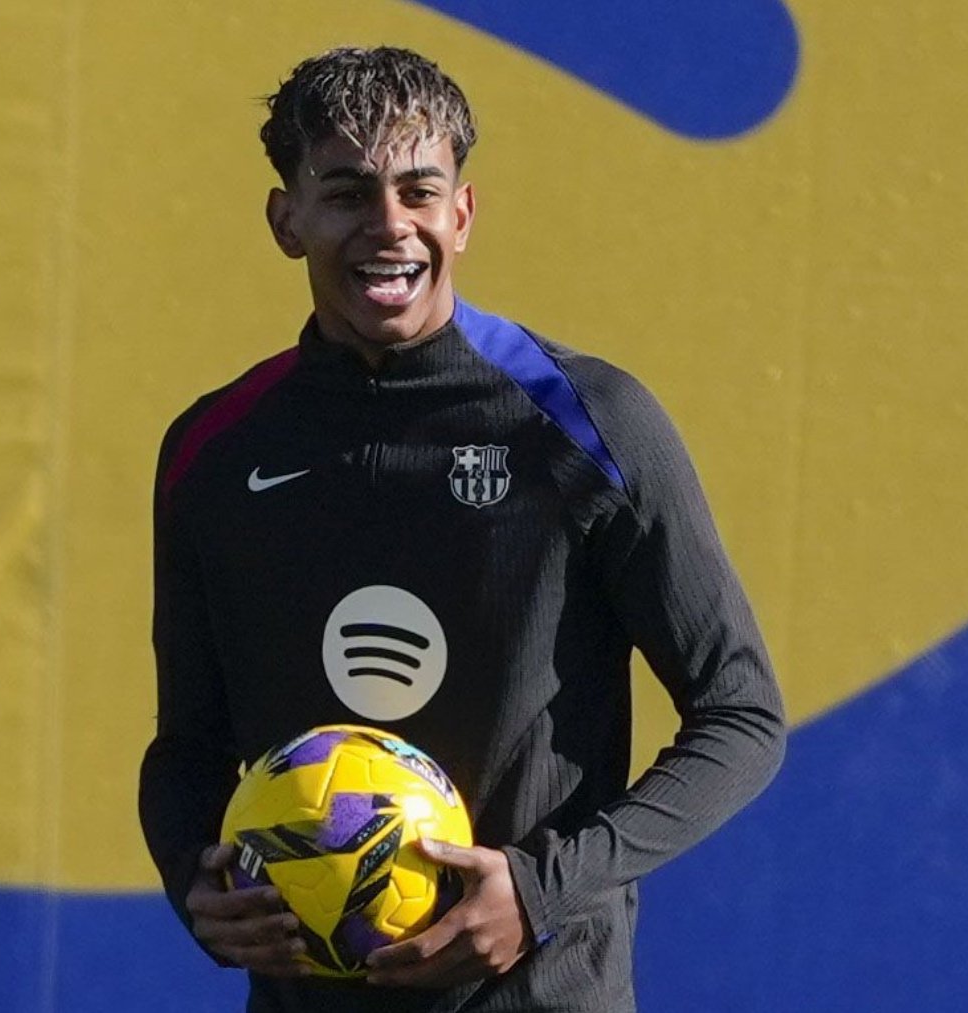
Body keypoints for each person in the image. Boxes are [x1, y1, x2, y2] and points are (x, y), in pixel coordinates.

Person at [137, 46, 786, 1012]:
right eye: (348, 192)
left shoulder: (588, 422)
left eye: (418, 190)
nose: (389, 227)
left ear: (463, 214)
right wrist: (196, 881)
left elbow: (742, 716)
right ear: (287, 219)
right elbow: (187, 748)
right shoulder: (213, 449)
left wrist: (540, 890)